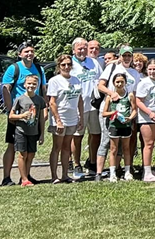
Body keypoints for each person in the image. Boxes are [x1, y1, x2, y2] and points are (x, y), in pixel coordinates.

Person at [0, 40, 47, 186]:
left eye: (32, 51)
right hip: (18, 114)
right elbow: (6, 89)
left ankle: (25, 176)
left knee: (30, 147)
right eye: (26, 51)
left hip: (34, 114)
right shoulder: (14, 68)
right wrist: (10, 111)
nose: (30, 54)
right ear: (20, 54)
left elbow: (43, 90)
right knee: (12, 145)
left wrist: (44, 110)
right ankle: (6, 177)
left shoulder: (39, 69)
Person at [47, 55, 83, 183]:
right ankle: (54, 176)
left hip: (72, 117)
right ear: (59, 66)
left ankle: (65, 175)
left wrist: (81, 118)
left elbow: (80, 100)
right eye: (63, 65)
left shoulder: (77, 80)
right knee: (57, 146)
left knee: (67, 147)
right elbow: (52, 102)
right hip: (60, 117)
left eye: (69, 64)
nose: (66, 67)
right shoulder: (54, 81)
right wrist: (58, 120)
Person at [70, 37, 101, 179]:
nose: (82, 51)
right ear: (74, 49)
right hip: (77, 105)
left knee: (95, 134)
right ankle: (76, 164)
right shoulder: (69, 64)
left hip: (94, 105)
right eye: (79, 48)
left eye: (84, 48)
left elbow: (100, 80)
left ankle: (92, 162)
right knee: (78, 136)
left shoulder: (93, 62)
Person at [8, 75, 46, 186]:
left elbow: (41, 120)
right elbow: (11, 116)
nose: (31, 86)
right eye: (29, 83)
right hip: (21, 131)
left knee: (31, 154)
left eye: (34, 84)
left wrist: (42, 134)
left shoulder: (40, 100)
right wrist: (22, 116)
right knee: (22, 154)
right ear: (24, 85)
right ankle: (24, 179)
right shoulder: (19, 99)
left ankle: (26, 175)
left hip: (33, 131)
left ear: (37, 85)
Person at [102, 73, 136, 182]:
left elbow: (135, 110)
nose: (120, 84)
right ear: (113, 83)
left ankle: (127, 172)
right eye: (117, 82)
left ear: (125, 83)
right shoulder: (110, 97)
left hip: (125, 125)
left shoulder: (129, 95)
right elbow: (104, 113)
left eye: (122, 81)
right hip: (114, 126)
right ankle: (112, 173)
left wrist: (130, 118)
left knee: (126, 148)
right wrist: (113, 113)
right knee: (113, 149)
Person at [135, 59, 155, 182]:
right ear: (146, 70)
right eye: (150, 69)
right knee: (148, 144)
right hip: (146, 117)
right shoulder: (144, 83)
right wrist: (149, 112)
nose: (152, 71)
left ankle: (149, 169)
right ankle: (146, 173)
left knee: (152, 144)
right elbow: (138, 101)